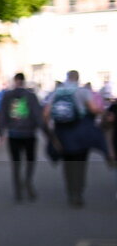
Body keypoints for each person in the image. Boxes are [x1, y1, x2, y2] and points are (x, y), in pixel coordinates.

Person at [43, 70, 102, 208]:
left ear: (67, 78)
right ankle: (79, 193)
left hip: (62, 135)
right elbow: (94, 109)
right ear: (77, 79)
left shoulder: (57, 92)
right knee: (81, 165)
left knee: (68, 165)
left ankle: (70, 191)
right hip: (81, 134)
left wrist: (50, 134)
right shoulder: (83, 92)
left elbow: (45, 114)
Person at [0, 73, 44, 202]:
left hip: (13, 134)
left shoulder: (7, 96)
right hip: (29, 134)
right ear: (23, 81)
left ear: (15, 81)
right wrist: (44, 130)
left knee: (16, 164)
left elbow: (2, 116)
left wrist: (1, 132)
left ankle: (18, 191)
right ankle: (28, 181)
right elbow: (37, 115)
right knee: (30, 161)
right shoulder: (31, 96)